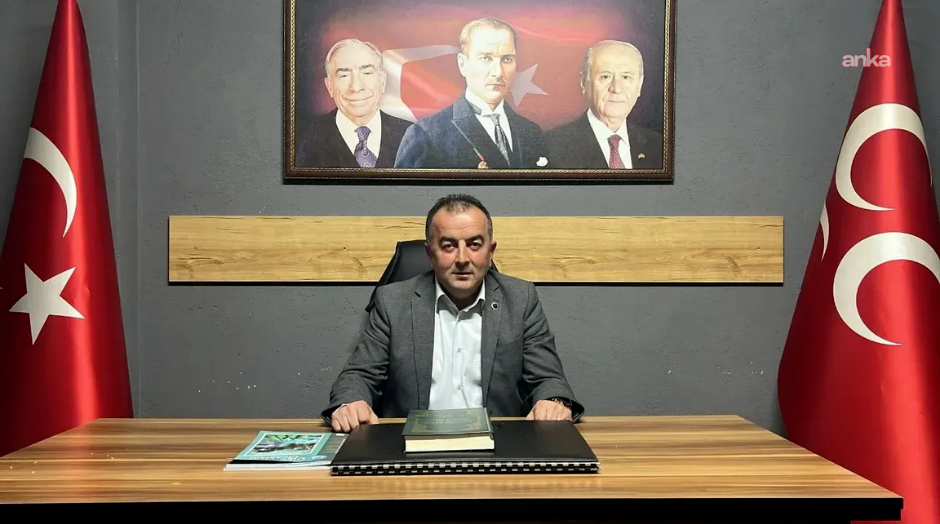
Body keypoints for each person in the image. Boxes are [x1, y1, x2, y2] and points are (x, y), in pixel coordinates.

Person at [323, 194, 582, 431]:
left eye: (474, 244)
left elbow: (548, 378)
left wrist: (554, 400)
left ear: (490, 251)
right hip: (410, 447)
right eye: (448, 246)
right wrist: (350, 403)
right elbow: (359, 375)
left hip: (500, 445)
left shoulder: (521, 299)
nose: (462, 258)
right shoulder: (393, 302)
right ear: (430, 253)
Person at [393, 19, 549, 169]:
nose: (498, 72)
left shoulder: (531, 132)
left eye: (507, 59)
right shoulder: (425, 135)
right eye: (486, 58)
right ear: (462, 64)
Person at [546, 40, 663, 169]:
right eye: (605, 77)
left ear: (639, 85)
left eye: (626, 77)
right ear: (584, 83)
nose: (616, 88)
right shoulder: (551, 147)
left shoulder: (658, 146)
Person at [296, 38, 412, 168]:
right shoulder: (301, 139)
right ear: (329, 86)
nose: (356, 87)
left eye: (367, 73)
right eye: (344, 75)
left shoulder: (412, 135)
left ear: (382, 81)